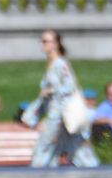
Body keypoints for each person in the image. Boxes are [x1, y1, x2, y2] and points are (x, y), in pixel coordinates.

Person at [30, 31, 84, 168]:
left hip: (60, 114)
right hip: (57, 114)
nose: (42, 45)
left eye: (45, 41)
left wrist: (51, 90)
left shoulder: (60, 64)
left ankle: (34, 177)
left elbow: (70, 86)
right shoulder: (52, 64)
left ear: (55, 44)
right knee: (73, 149)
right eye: (42, 41)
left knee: (43, 147)